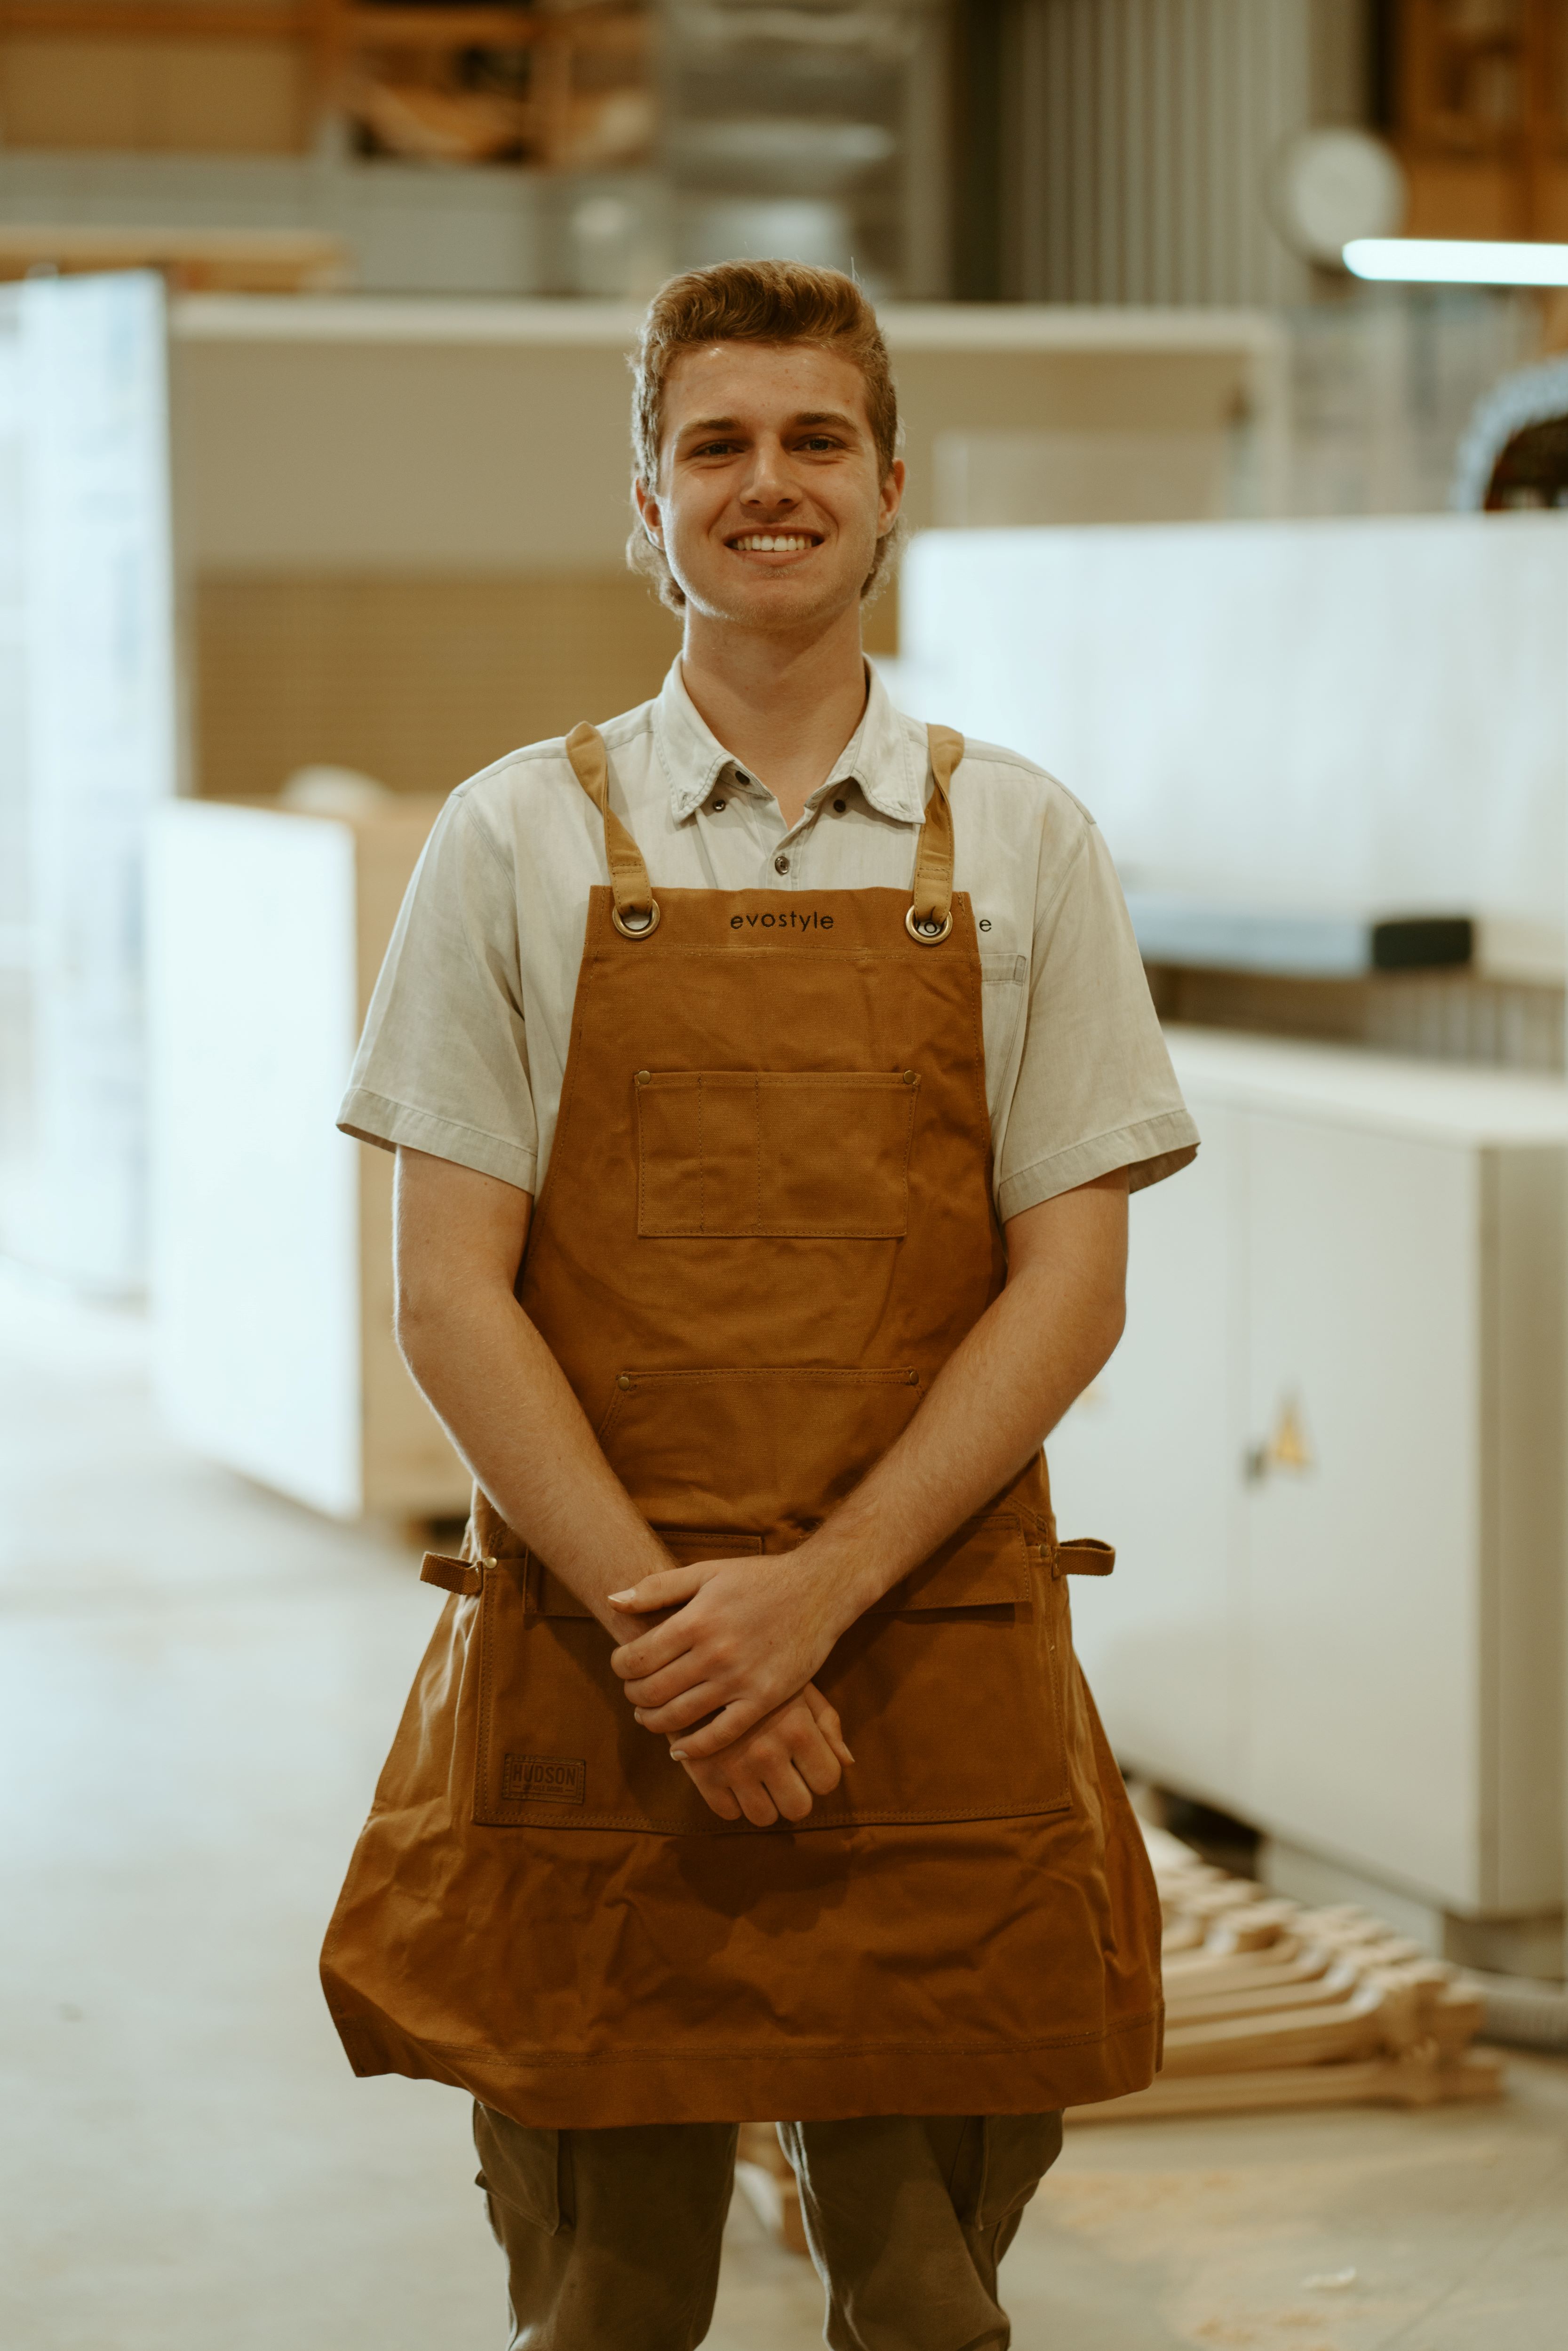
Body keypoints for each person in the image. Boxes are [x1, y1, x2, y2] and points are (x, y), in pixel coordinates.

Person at [322, 260, 1200, 2351]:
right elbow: (451, 1297)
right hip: (606, 1675)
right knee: (607, 2307)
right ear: (644, 501)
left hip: (926, 1659)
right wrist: (681, 1637)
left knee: (928, 2297)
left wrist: (810, 1597)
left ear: (893, 488)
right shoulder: (510, 839)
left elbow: (1074, 1279)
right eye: (715, 443)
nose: (768, 483)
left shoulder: (1027, 845)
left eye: (816, 441)